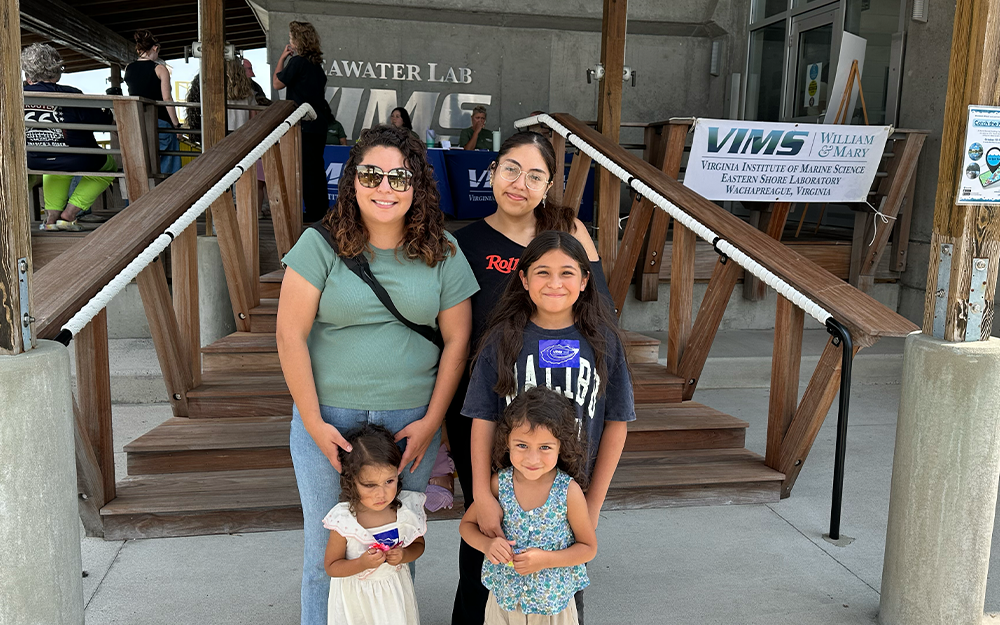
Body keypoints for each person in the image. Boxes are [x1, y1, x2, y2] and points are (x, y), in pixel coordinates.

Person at [276, 124, 479, 625]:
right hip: (328, 418)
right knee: (325, 556)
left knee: (396, 549)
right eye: (371, 174)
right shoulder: (319, 245)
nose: (385, 187)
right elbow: (289, 335)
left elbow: (458, 341)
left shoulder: (444, 252)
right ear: (352, 180)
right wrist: (312, 418)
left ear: (417, 186)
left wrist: (434, 420)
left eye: (398, 176)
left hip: (410, 421)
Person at [448, 131, 611, 624]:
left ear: (549, 184)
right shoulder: (463, 242)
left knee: (558, 531)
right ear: (492, 171)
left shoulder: (569, 235)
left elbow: (599, 315)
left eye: (535, 175)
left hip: (563, 419)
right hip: (487, 407)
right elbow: (452, 333)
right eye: (511, 169)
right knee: (488, 529)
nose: (520, 183)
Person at [460, 231, 633, 625]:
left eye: (567, 273)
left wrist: (594, 504)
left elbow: (617, 423)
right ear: (523, 279)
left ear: (585, 280)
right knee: (500, 589)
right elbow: (482, 418)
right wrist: (481, 494)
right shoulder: (502, 339)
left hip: (573, 494)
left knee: (567, 597)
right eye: (542, 272)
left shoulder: (604, 340)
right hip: (513, 490)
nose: (555, 283)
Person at [460, 387, 597, 624]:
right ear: (507, 442)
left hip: (552, 608)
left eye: (545, 447)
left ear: (561, 446)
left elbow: (588, 548)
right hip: (505, 603)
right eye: (522, 445)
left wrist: (546, 560)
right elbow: (466, 526)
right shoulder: (499, 484)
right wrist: (487, 544)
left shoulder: (568, 491)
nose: (532, 459)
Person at [323, 423, 427, 624]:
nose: (382, 494)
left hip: (394, 596)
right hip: (357, 602)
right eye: (370, 485)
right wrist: (361, 563)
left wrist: (405, 555)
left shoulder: (404, 512)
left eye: (389, 481)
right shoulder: (345, 521)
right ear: (352, 481)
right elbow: (331, 566)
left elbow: (419, 545)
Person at [22, 43, 117, 232]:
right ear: (57, 72)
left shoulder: (18, 97)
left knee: (53, 167)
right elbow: (102, 121)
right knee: (109, 166)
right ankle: (69, 215)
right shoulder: (71, 94)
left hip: (36, 159)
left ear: (28, 75)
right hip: (81, 158)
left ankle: (51, 219)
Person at [273, 21, 332, 223]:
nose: (289, 41)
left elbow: (277, 83)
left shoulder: (298, 62)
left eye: (291, 38)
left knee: (305, 170)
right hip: (319, 124)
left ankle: (314, 212)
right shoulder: (317, 66)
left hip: (304, 125)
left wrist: (282, 57)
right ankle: (321, 211)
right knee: (316, 169)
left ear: (298, 40)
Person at [124, 29, 181, 174]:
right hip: (160, 122)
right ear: (155, 48)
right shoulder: (160, 69)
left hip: (138, 122)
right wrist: (176, 125)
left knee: (143, 162)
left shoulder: (128, 69)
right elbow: (167, 98)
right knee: (168, 166)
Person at [226, 58, 257, 132]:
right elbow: (253, 117)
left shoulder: (218, 93)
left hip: (223, 131)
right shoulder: (249, 92)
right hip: (242, 132)